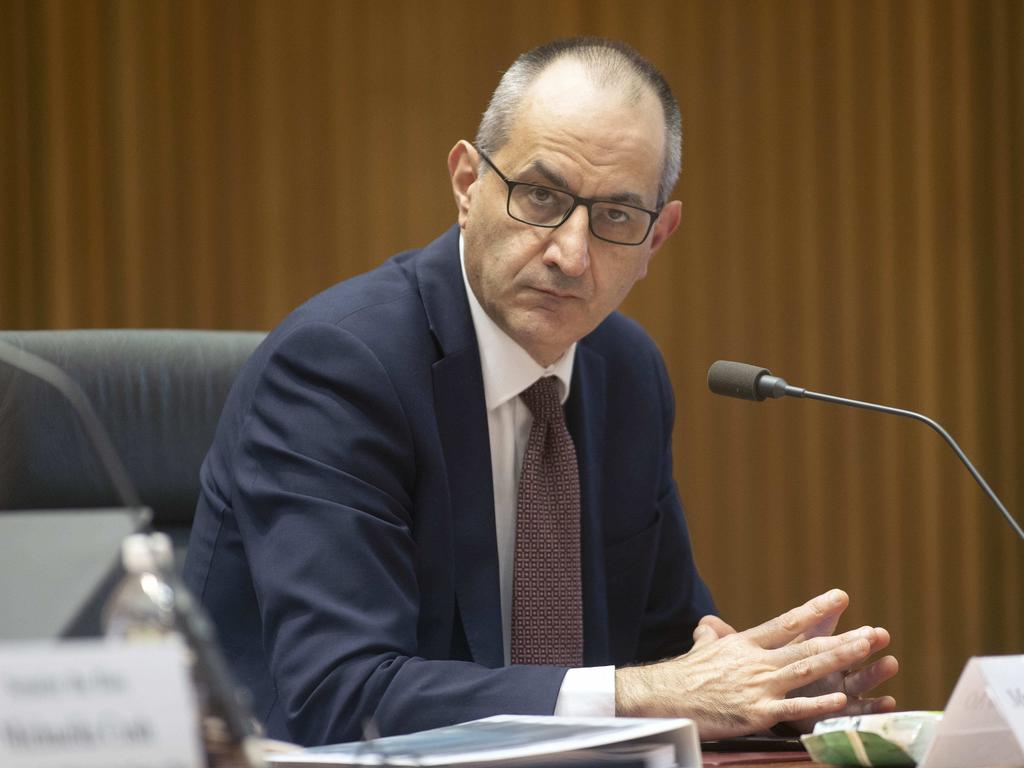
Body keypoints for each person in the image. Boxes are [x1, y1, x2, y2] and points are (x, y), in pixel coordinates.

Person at [183, 37, 898, 747]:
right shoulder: (341, 367)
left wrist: (771, 693)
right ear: (467, 184)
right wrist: (645, 694)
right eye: (541, 196)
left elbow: (669, 648)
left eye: (617, 217)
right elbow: (342, 698)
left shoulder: (626, 374)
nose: (570, 253)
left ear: (658, 239)